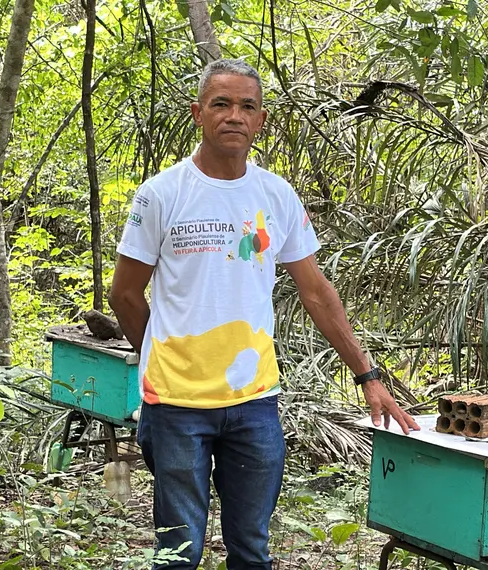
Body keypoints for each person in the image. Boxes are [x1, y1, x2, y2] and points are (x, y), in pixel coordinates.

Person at [108, 58, 419, 570]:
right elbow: (125, 294)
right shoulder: (161, 194)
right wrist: (159, 358)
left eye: (246, 106)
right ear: (198, 113)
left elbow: (316, 290)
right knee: (178, 553)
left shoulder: (275, 195)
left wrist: (367, 374)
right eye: (221, 104)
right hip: (176, 403)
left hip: (254, 403)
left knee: (252, 550)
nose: (234, 115)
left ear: (261, 120)